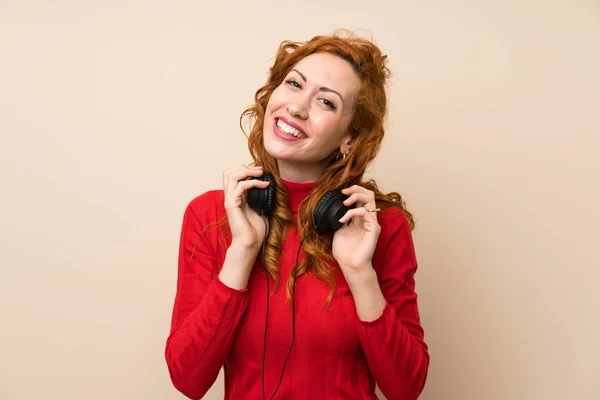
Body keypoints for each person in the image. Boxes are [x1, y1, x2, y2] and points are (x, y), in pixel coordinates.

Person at [164, 29, 429, 400]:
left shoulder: (379, 225)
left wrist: (359, 272)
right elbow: (187, 378)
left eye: (326, 102)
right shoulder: (210, 215)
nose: (297, 107)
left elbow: (406, 388)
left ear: (349, 138)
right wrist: (243, 248)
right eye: (293, 84)